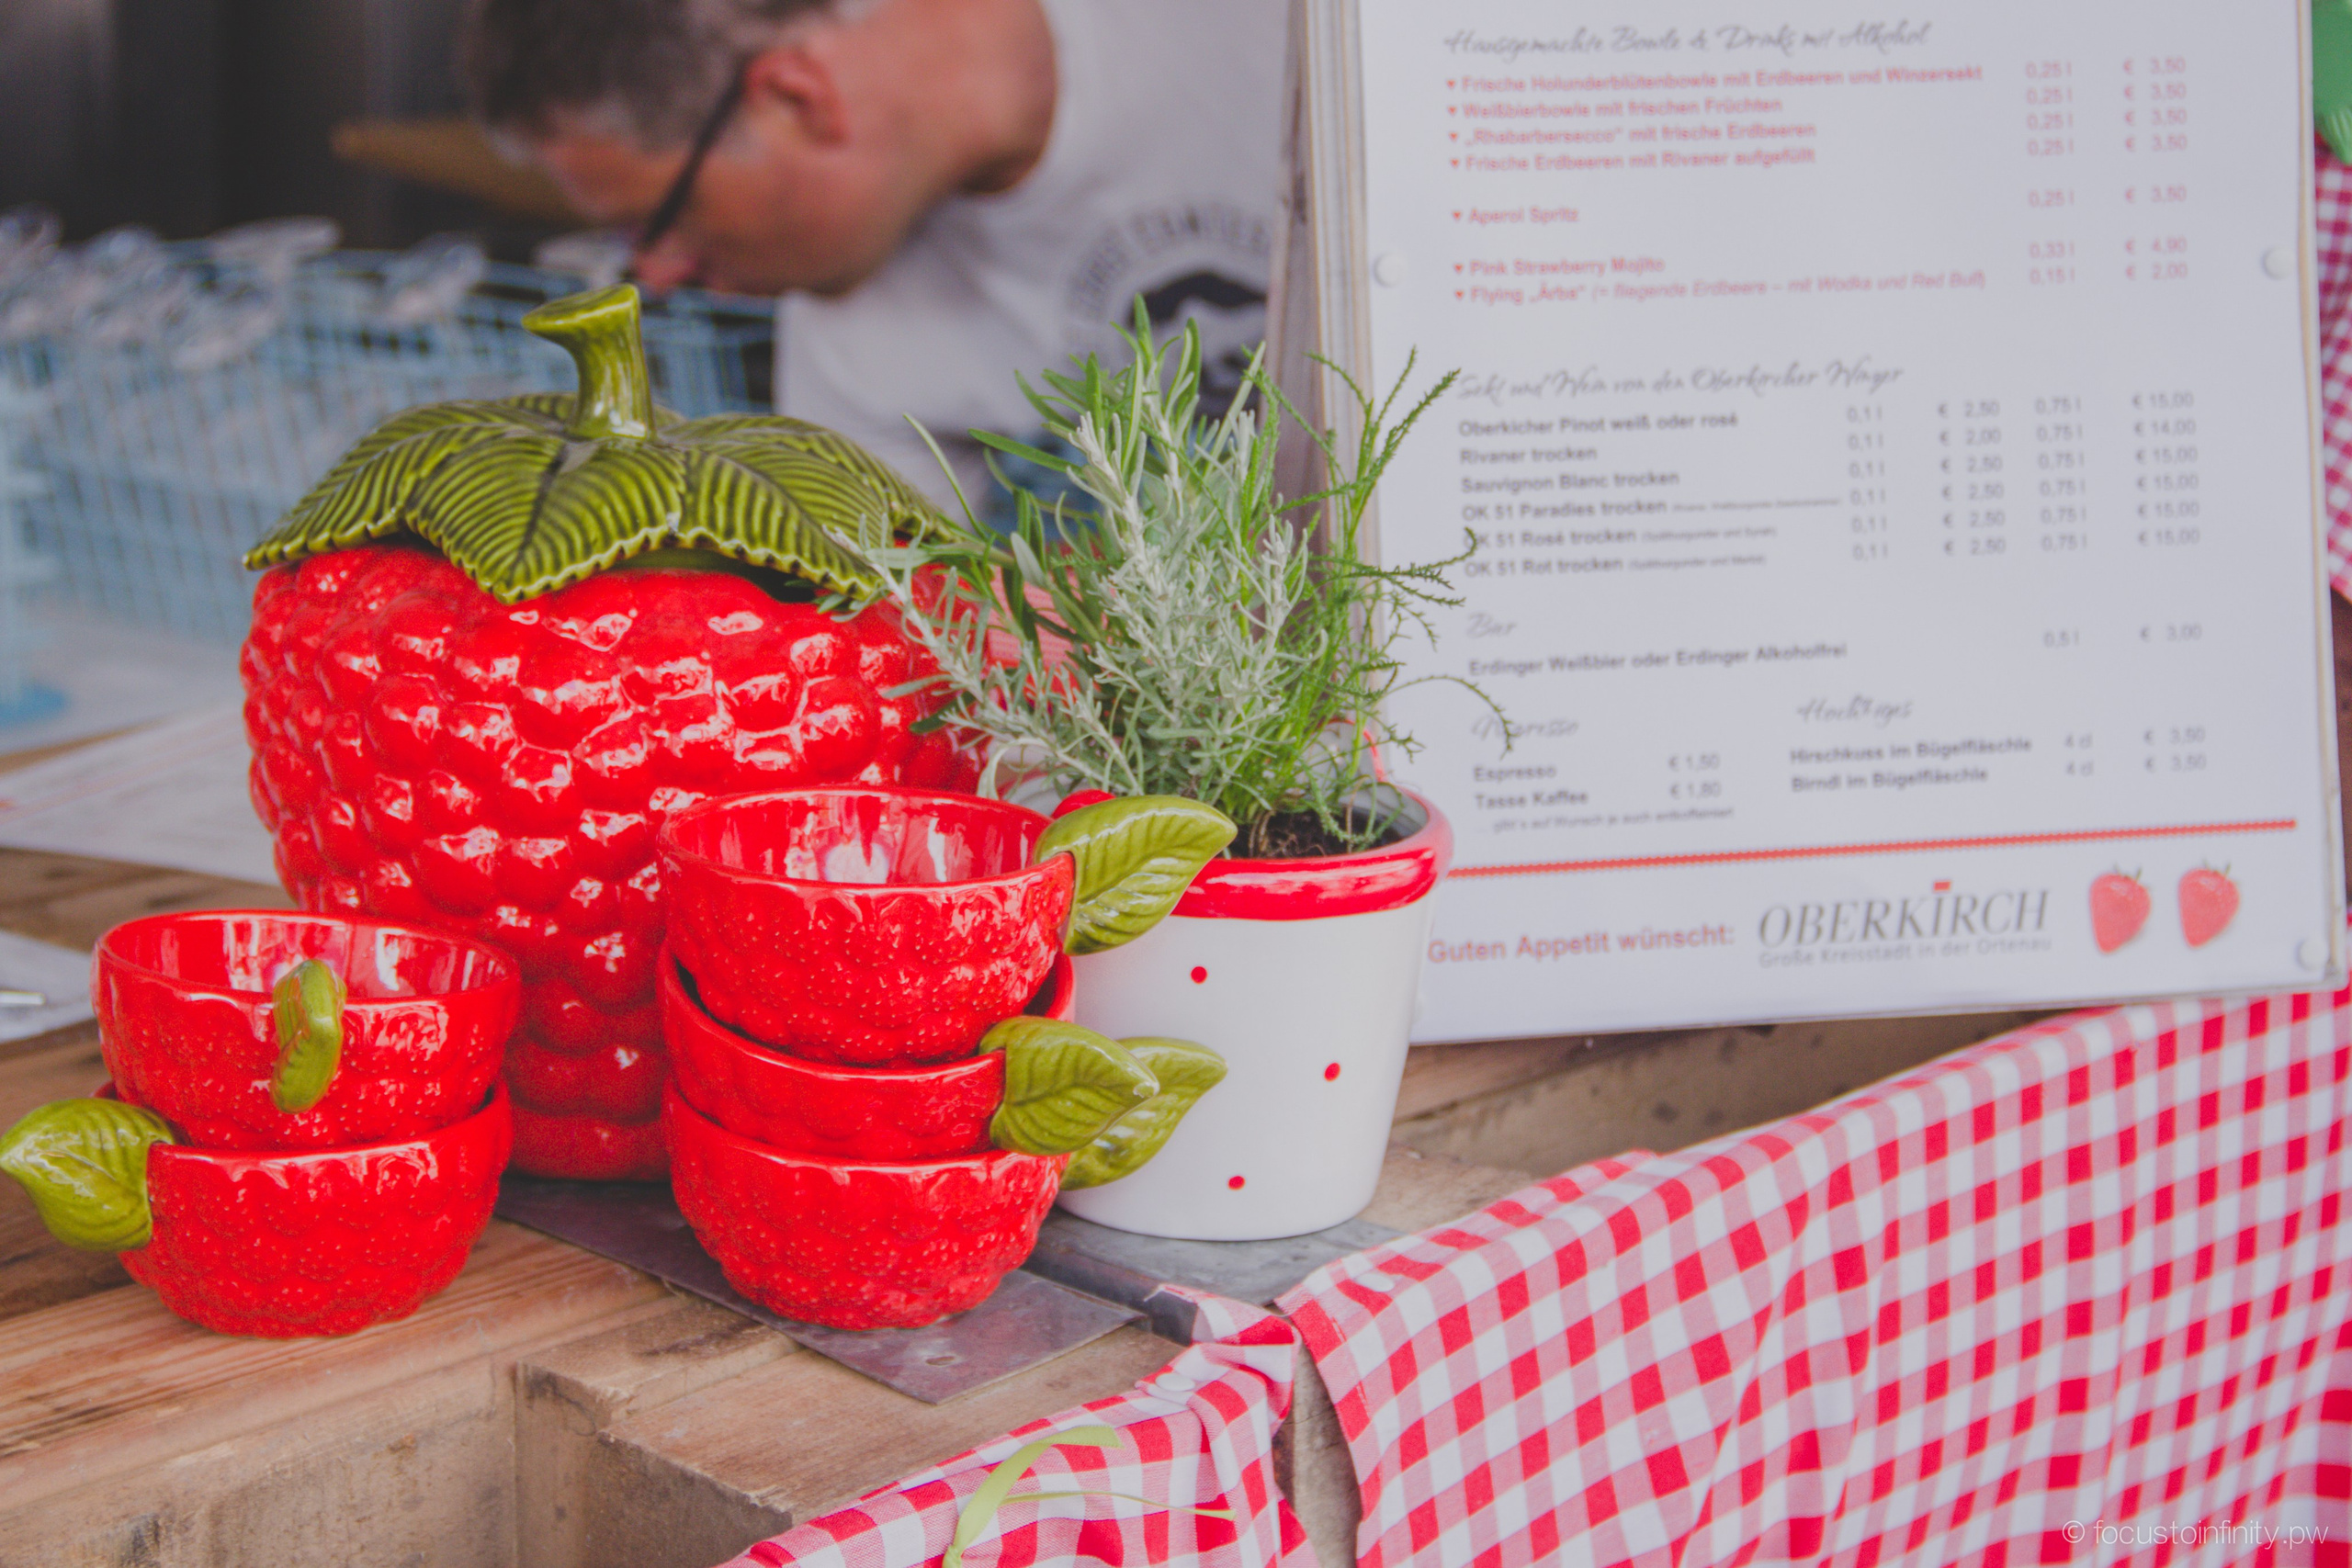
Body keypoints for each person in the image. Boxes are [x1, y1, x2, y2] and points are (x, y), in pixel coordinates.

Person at [463, 0, 1286, 504]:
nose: (663, 276)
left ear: (797, 96)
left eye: (661, 221)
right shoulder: (850, 344)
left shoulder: (1276, 32)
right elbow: (897, 655)